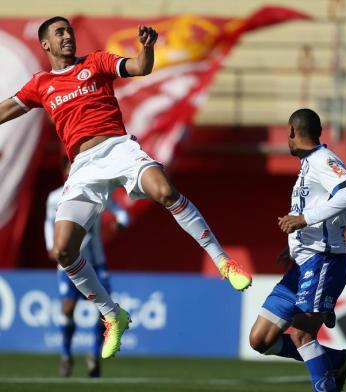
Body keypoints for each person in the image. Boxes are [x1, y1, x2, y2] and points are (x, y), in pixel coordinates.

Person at [0, 16, 252, 359]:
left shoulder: (96, 62)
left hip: (119, 148)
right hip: (83, 167)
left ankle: (224, 263)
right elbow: (9, 108)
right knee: (63, 251)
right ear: (45, 44)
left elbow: (140, 67)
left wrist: (146, 49)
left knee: (164, 191)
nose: (68, 36)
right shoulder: (41, 84)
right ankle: (112, 315)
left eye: (69, 31)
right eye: (60, 33)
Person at [249, 109, 346, 392]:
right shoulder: (308, 167)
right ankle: (337, 360)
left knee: (301, 333)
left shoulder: (324, 159)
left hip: (323, 260)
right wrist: (297, 245)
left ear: (291, 131)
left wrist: (305, 220)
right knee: (260, 339)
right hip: (303, 263)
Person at [45, 160, 130, 377]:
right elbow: (48, 223)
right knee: (67, 308)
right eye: (69, 168)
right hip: (67, 265)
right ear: (65, 171)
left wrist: (121, 221)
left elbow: (121, 212)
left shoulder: (97, 192)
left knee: (105, 309)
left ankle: (94, 354)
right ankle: (66, 355)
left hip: (96, 262)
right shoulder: (55, 197)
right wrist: (50, 245)